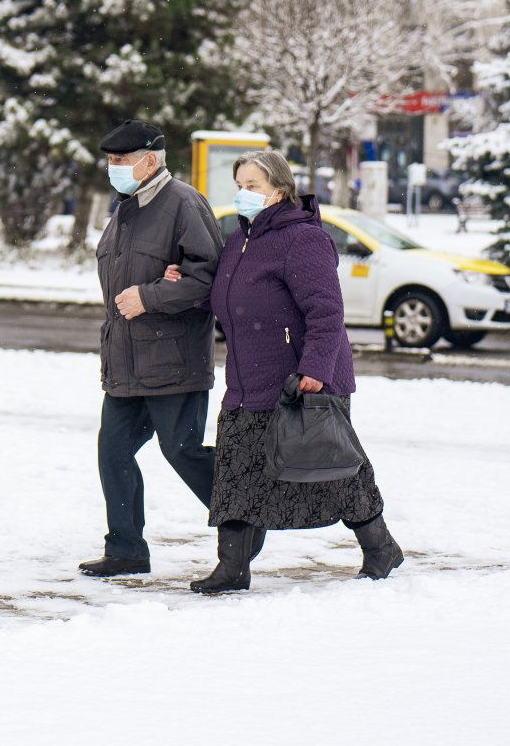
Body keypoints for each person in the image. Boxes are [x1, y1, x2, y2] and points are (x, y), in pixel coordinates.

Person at [164, 150, 403, 593]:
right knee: (236, 472)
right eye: (238, 185)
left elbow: (327, 312)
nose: (243, 194)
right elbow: (231, 301)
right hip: (246, 381)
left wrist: (314, 368)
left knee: (334, 470)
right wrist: (190, 290)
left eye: (252, 186)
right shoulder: (239, 240)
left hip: (302, 382)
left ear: (279, 188)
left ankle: (380, 547)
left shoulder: (303, 239)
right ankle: (232, 568)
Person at [78, 119, 224, 577]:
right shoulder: (125, 208)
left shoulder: (183, 203)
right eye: (110, 161)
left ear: (149, 160)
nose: (113, 168)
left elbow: (209, 278)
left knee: (182, 450)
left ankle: (244, 515)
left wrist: (152, 295)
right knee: (113, 452)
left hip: (173, 359)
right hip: (125, 361)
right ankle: (125, 550)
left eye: (120, 160)